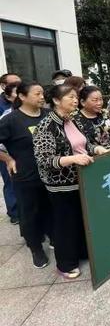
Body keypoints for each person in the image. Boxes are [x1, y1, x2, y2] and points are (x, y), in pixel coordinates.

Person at [33, 84, 110, 279]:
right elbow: (44, 159)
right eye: (70, 97)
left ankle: (83, 253)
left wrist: (96, 149)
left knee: (81, 219)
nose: (75, 101)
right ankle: (66, 264)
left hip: (82, 178)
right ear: (57, 101)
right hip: (61, 184)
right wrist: (72, 159)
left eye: (76, 97)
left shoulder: (73, 120)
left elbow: (83, 144)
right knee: (66, 223)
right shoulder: (46, 125)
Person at [0, 82, 52, 268]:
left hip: (50, 173)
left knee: (50, 207)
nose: (42, 96)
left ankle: (53, 235)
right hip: (26, 175)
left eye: (42, 93)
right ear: (22, 96)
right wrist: (8, 159)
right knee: (29, 212)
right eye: (37, 93)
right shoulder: (11, 120)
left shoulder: (47, 115)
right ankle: (35, 248)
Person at [0, 82, 20, 223]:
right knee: (11, 184)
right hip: (11, 157)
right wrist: (7, 159)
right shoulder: (7, 117)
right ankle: (15, 213)